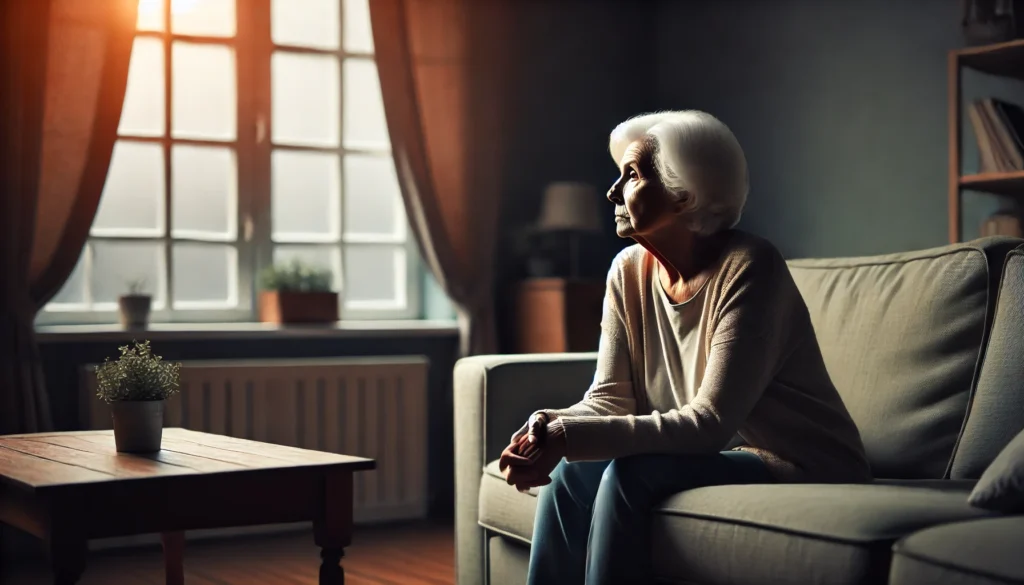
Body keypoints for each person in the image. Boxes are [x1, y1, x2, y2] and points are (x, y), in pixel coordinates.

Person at [499, 110, 872, 585]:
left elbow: (709, 425)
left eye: (631, 176)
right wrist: (550, 428)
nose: (612, 192)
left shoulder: (750, 267)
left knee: (629, 477)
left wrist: (569, 437)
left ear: (683, 194)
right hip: (728, 453)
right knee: (571, 478)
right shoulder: (627, 270)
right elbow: (609, 398)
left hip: (800, 463)